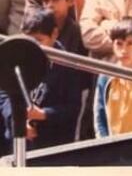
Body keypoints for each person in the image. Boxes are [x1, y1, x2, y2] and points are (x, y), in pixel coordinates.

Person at [0, 9, 83, 154]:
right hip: (16, 140)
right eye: (28, 39)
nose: (32, 47)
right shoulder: (15, 57)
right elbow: (4, 93)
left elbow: (73, 107)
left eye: (38, 40)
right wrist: (17, 119)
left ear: (54, 34)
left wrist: (44, 114)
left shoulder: (69, 64)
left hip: (52, 145)